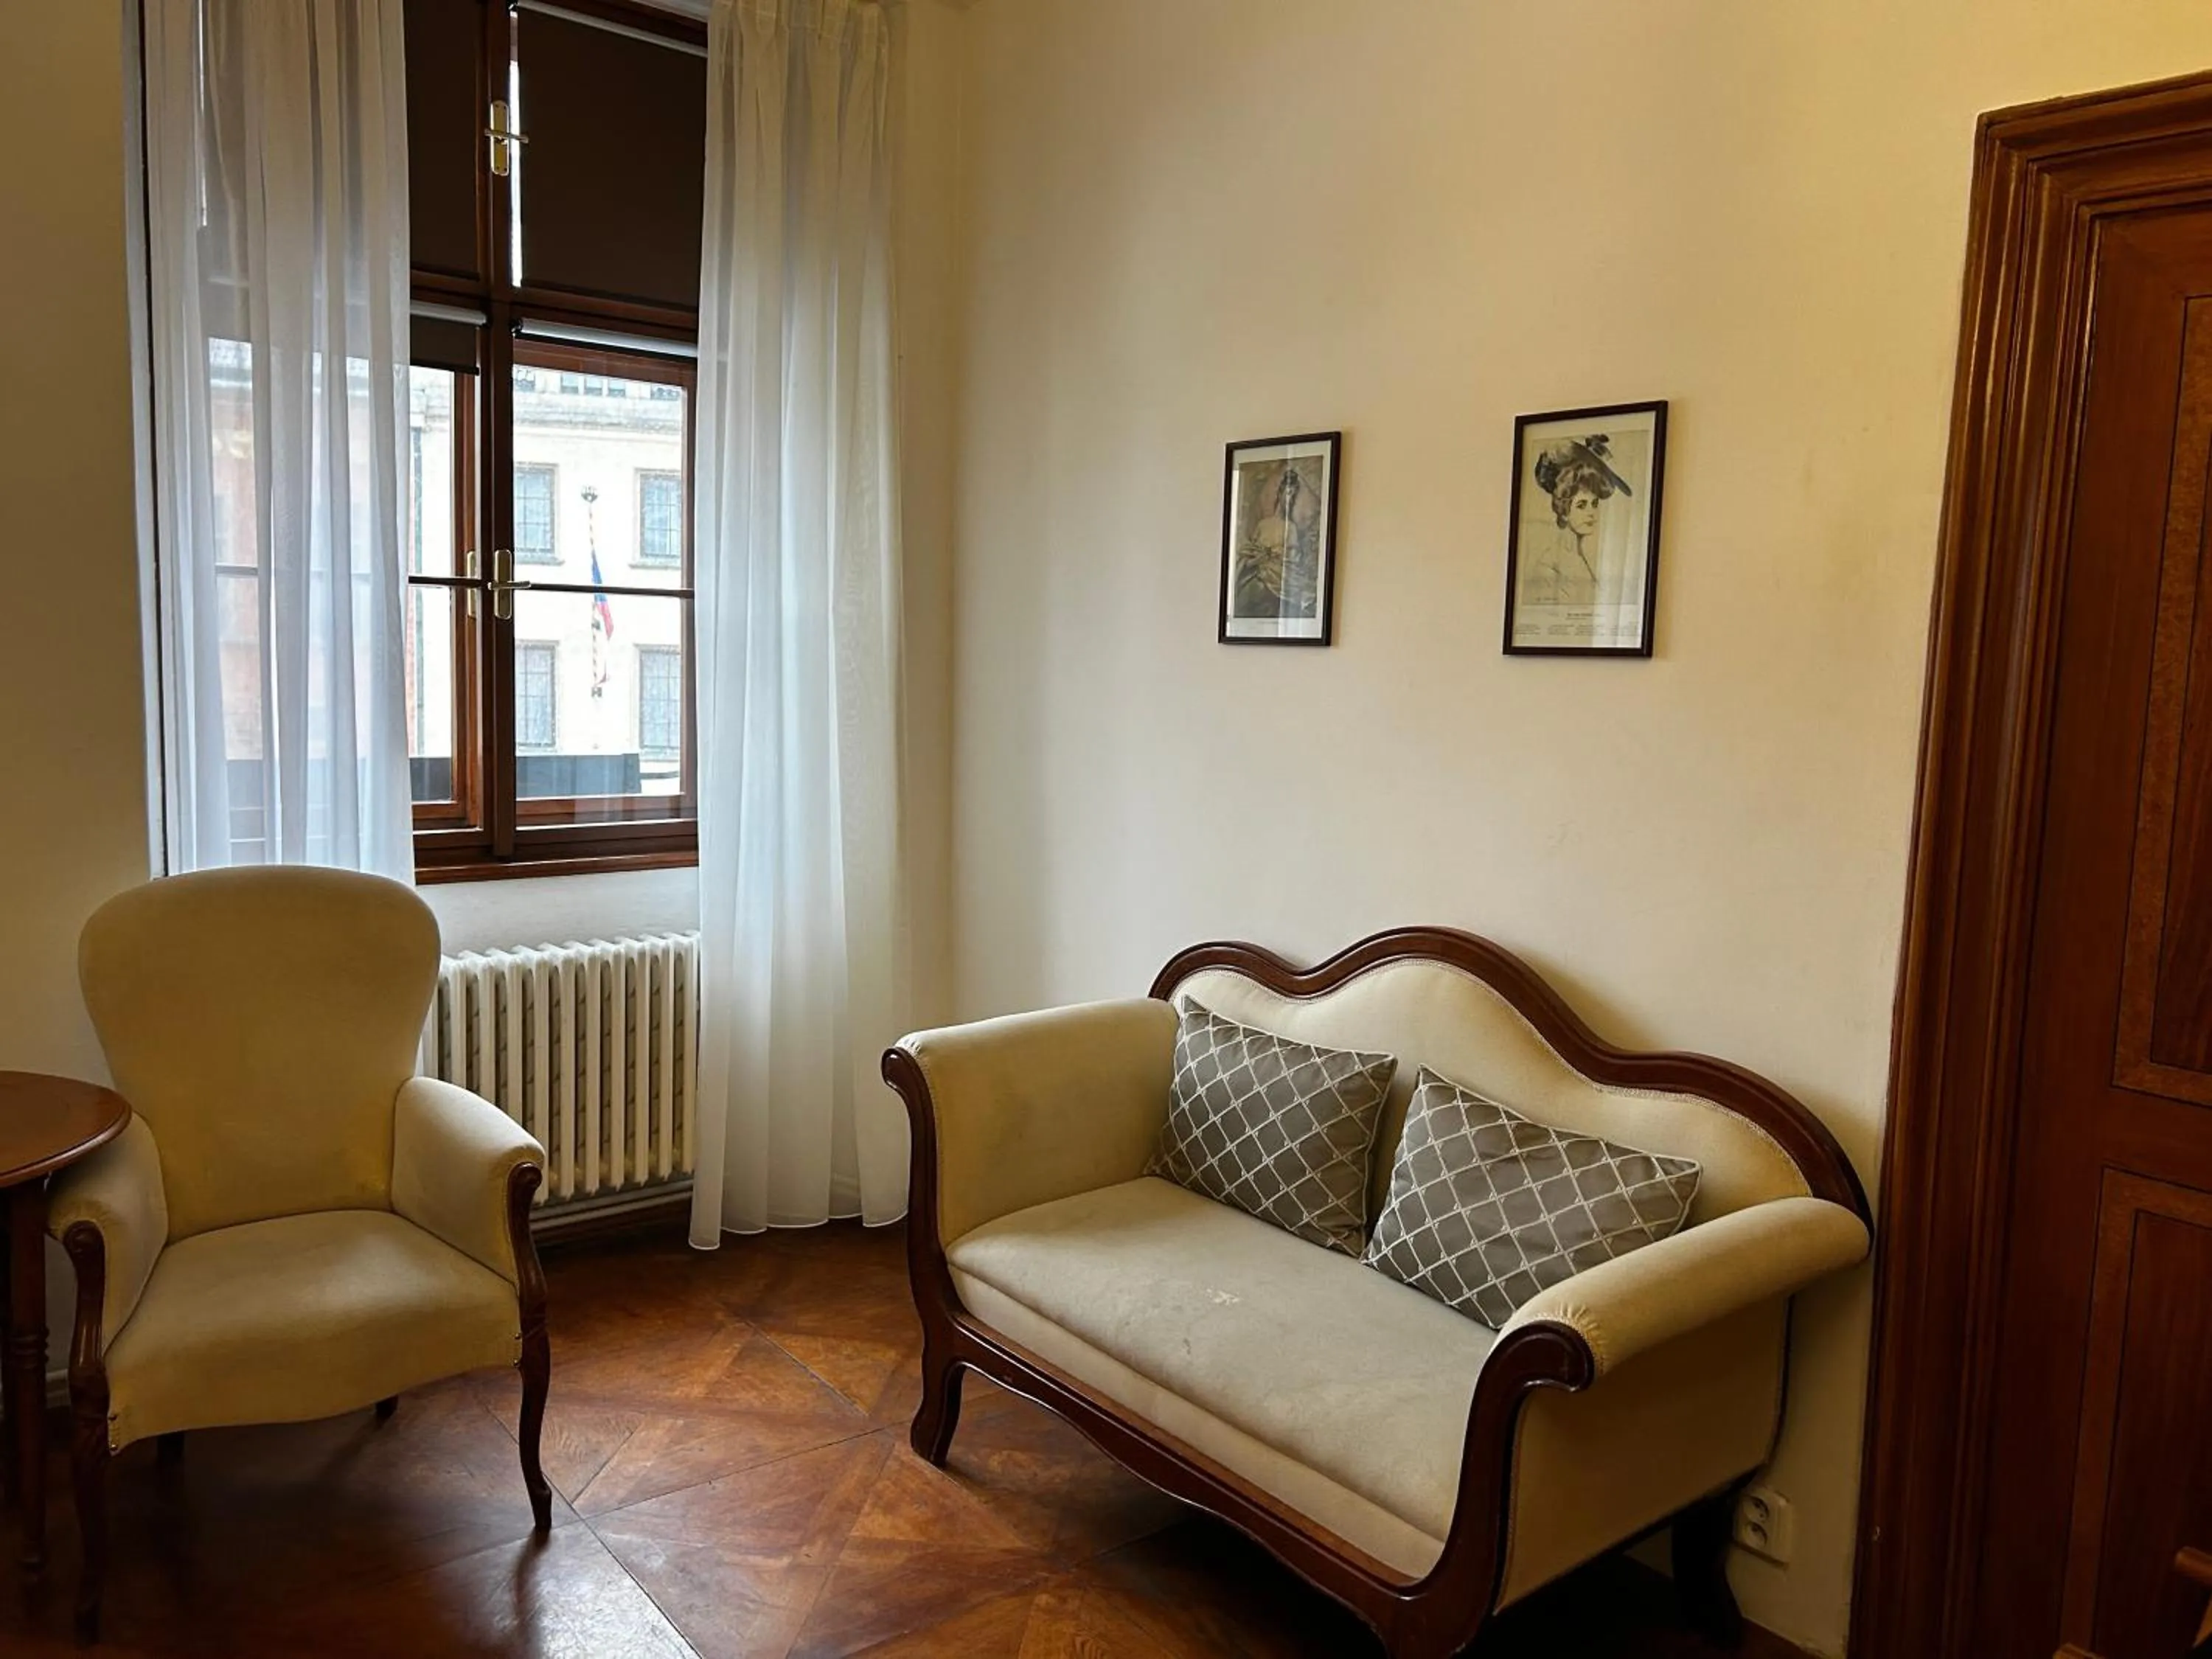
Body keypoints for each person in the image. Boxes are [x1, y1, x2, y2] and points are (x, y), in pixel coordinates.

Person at [1520, 435, 1632, 607]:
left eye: (1594, 504)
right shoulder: (1549, 567)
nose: (1591, 513)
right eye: (1581, 505)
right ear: (1564, 510)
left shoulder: (1582, 560)